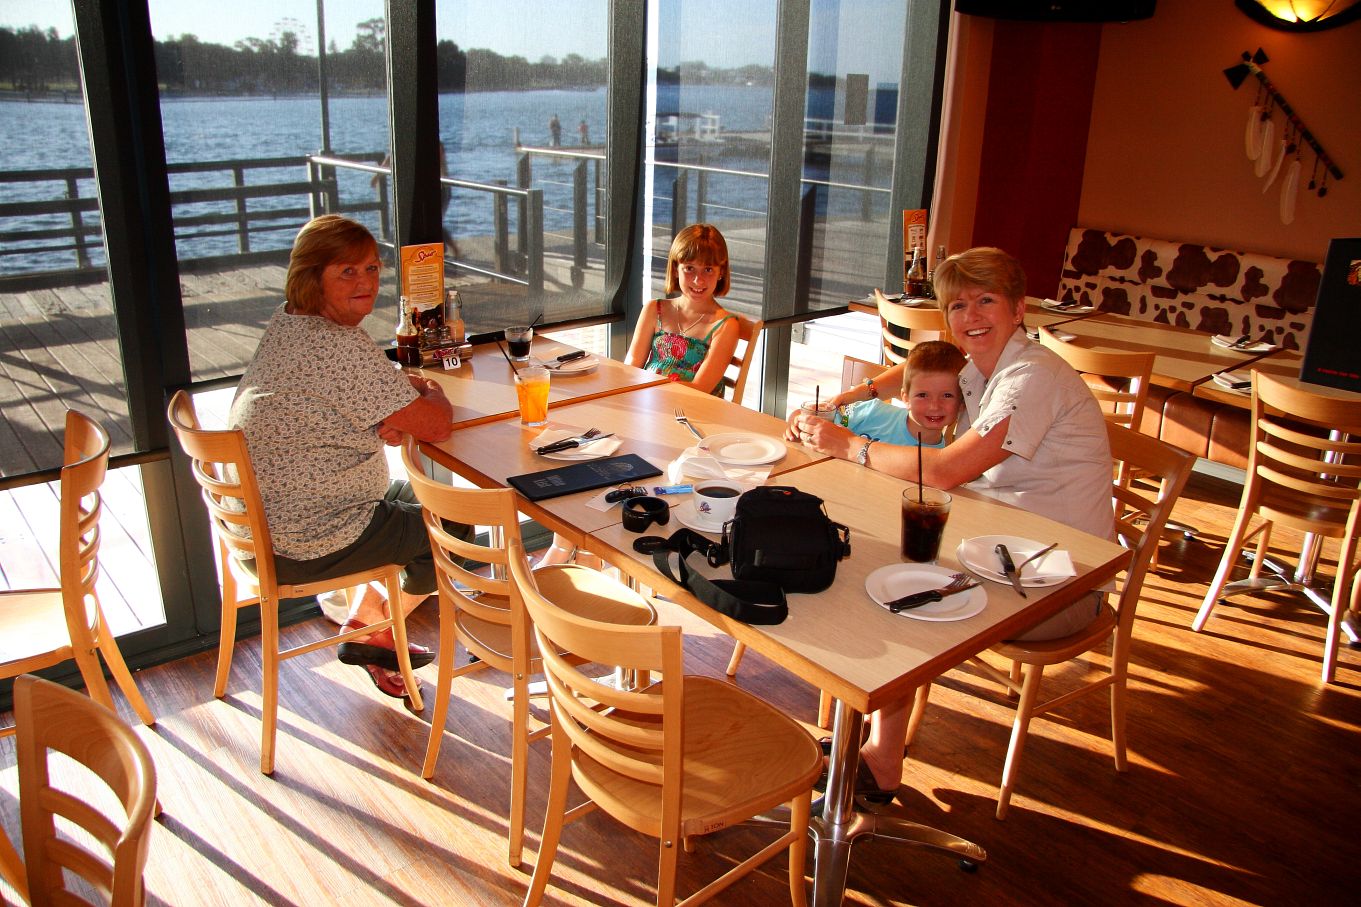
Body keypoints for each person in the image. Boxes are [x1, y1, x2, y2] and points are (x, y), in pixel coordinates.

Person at [790, 246, 1113, 801]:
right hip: (997, 547)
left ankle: (882, 761)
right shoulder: (983, 366)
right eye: (958, 305)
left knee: (892, 598)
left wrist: (851, 445)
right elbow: (913, 371)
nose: (972, 316)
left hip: (1060, 581)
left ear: (1019, 308)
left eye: (986, 300)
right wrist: (847, 400)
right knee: (868, 564)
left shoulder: (1031, 377)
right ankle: (862, 741)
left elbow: (942, 471)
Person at [230, 214, 466, 701]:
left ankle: (369, 624)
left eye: (373, 270)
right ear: (311, 277)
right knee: (456, 526)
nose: (366, 284)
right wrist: (432, 392)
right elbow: (437, 424)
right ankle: (371, 630)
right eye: (347, 272)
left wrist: (404, 406)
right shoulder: (337, 346)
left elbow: (374, 394)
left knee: (434, 498)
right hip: (310, 535)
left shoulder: (289, 322)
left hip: (266, 525)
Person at [536, 224, 742, 568]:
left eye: (708, 269)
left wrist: (647, 399)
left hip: (686, 425)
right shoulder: (656, 309)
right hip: (645, 414)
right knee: (588, 453)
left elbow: (701, 392)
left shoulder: (726, 325)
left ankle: (587, 551)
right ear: (675, 269)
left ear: (721, 272)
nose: (697, 279)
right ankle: (572, 543)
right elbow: (630, 368)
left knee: (612, 461)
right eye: (689, 268)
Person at [787, 340, 965, 449]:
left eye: (947, 396)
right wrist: (798, 423)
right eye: (923, 395)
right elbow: (811, 420)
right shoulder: (871, 412)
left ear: (962, 403)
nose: (935, 405)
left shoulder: (938, 460)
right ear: (905, 397)